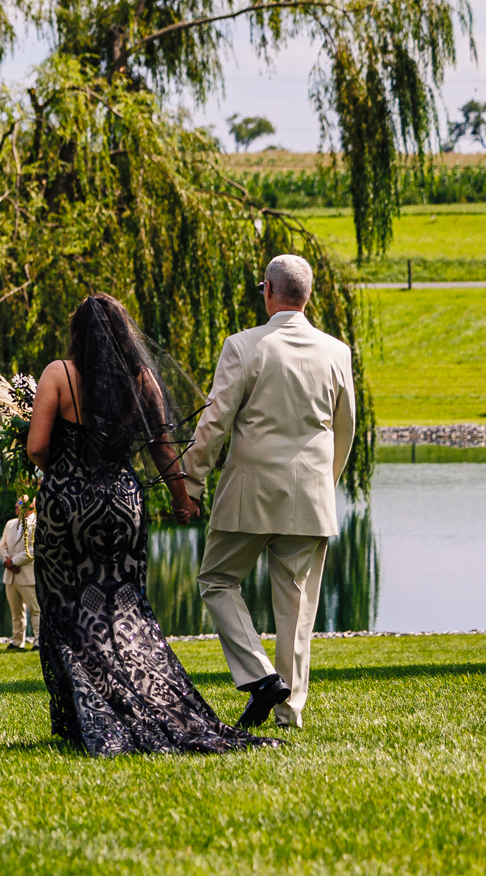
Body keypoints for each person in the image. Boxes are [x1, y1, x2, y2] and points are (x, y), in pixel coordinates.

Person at [27, 291, 263, 755]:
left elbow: (37, 447)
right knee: (124, 607)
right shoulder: (142, 378)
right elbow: (163, 447)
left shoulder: (59, 374)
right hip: (122, 504)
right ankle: (151, 696)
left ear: (79, 333)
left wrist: (65, 465)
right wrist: (183, 500)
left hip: (67, 505)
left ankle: (88, 716)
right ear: (123, 333)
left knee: (68, 609)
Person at [182, 254, 356, 734]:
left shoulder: (243, 346)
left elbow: (215, 422)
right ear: (309, 295)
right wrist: (324, 483)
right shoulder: (337, 352)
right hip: (311, 497)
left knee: (217, 579)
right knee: (297, 609)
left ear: (268, 291)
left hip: (248, 493)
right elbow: (346, 430)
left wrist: (189, 481)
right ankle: (290, 711)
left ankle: (260, 676)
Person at [0, 497, 38, 651]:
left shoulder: (37, 524)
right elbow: (1, 546)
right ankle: (17, 641)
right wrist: (6, 561)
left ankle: (39, 641)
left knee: (35, 610)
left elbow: (35, 549)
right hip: (11, 576)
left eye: (20, 505)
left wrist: (14, 561)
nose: (17, 507)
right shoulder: (10, 524)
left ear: (31, 507)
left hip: (27, 575)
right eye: (16, 504)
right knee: (16, 612)